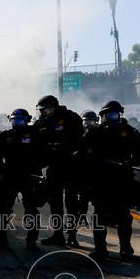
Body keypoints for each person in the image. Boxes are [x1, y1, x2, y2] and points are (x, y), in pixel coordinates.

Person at [77, 101, 140, 259]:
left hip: (122, 179)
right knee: (99, 215)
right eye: (108, 114)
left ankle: (126, 248)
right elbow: (81, 154)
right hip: (100, 180)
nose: (111, 117)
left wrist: (131, 162)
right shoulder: (94, 133)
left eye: (114, 114)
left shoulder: (130, 132)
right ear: (102, 116)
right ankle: (100, 249)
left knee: (124, 216)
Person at [34, 94, 83, 247]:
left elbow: (80, 140)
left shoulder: (71, 118)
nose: (42, 112)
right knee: (55, 203)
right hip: (53, 167)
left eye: (45, 109)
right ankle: (58, 235)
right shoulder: (41, 122)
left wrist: (64, 147)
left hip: (71, 166)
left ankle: (72, 236)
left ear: (53, 107)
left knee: (71, 202)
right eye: (40, 110)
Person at [0, 108, 46, 248]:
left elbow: (44, 154)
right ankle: (1, 239)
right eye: (14, 120)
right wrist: (0, 171)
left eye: (20, 120)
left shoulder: (35, 134)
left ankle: (31, 241)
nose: (17, 122)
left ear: (27, 120)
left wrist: (36, 168)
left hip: (30, 177)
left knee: (31, 210)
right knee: (3, 209)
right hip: (10, 176)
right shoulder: (5, 136)